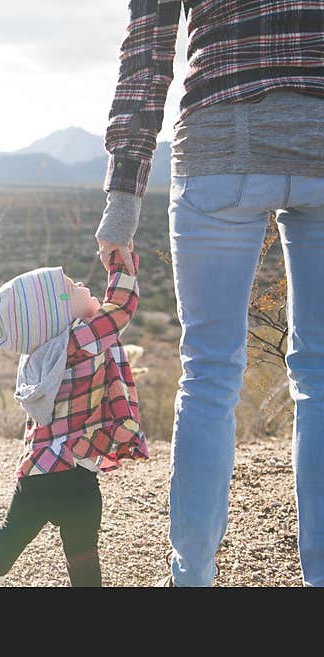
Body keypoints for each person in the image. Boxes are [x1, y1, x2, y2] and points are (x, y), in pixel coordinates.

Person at [96, 1, 324, 586]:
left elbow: (147, 56)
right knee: (322, 379)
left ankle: (191, 579)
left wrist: (122, 203)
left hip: (221, 144)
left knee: (209, 374)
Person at [0, 249, 148, 586]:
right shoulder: (80, 340)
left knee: (12, 534)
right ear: (58, 312)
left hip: (37, 472)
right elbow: (122, 306)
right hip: (76, 475)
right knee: (81, 551)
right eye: (70, 285)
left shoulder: (37, 354)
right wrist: (119, 261)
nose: (80, 283)